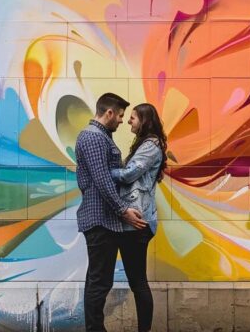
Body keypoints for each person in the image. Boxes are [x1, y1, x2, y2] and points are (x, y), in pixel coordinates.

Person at [75, 92, 148, 332]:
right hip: (100, 219)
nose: (121, 121)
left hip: (106, 219)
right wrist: (123, 210)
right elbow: (102, 179)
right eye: (120, 116)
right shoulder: (93, 137)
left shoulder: (101, 137)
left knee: (99, 280)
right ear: (109, 113)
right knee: (99, 282)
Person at [111, 103, 166, 332]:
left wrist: (104, 172)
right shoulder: (146, 144)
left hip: (137, 223)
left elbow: (129, 174)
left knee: (139, 282)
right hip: (134, 223)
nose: (128, 121)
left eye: (132, 117)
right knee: (137, 281)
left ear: (144, 120)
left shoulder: (151, 145)